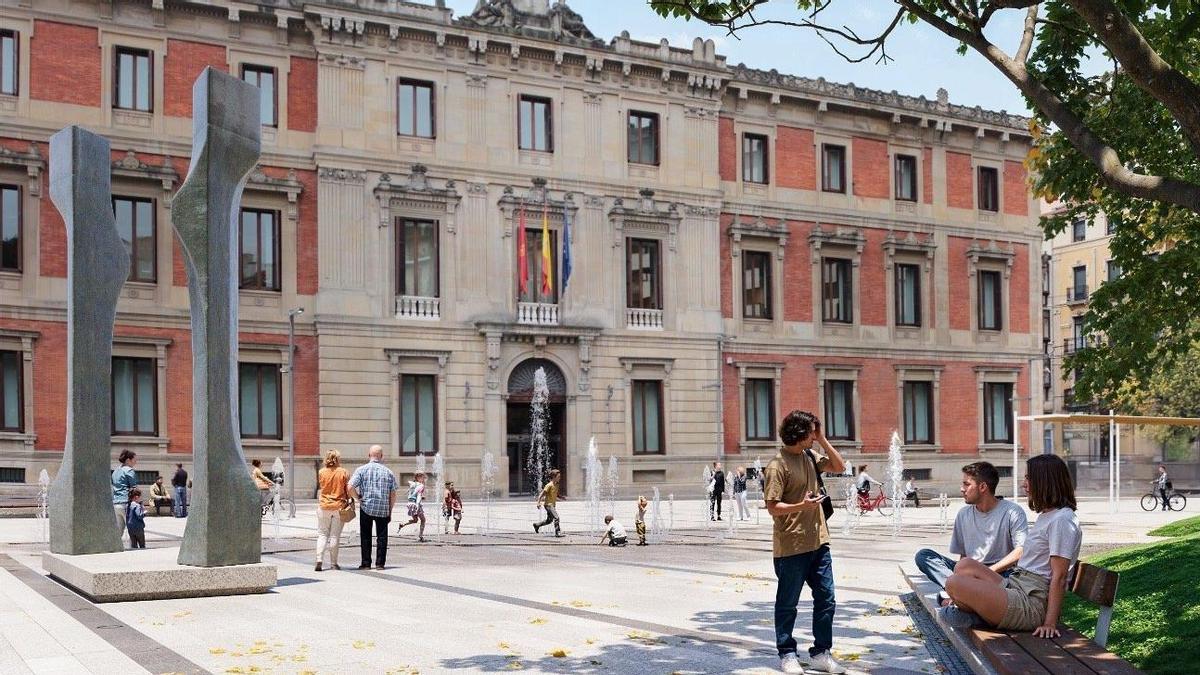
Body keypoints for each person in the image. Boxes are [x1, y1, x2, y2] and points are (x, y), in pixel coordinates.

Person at [942, 454, 1082, 638]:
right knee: (964, 565)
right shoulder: (1048, 515)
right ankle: (976, 611)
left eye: (1028, 478)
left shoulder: (1062, 520)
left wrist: (1049, 622)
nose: (1024, 484)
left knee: (953, 585)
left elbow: (1060, 576)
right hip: (1017, 585)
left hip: (1031, 603)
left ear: (1044, 480)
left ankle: (977, 614)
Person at [764, 410, 848, 675]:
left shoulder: (810, 455)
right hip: (791, 546)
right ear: (799, 434)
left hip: (819, 542)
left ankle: (821, 652)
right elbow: (773, 507)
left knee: (827, 598)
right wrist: (803, 505)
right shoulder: (778, 465)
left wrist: (823, 439)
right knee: (788, 603)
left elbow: (839, 467)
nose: (814, 436)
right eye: (812, 432)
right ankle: (787, 653)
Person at [914, 462, 1028, 606]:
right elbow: (963, 556)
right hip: (968, 572)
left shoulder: (1013, 512)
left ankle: (961, 594)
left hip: (1000, 574)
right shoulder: (963, 514)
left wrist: (985, 572)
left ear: (982, 487)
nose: (962, 489)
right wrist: (964, 575)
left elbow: (1021, 550)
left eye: (966, 484)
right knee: (923, 555)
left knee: (1009, 580)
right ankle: (961, 591)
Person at [348, 445, 398, 570]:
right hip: (383, 508)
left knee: (365, 535)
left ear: (369, 455)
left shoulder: (361, 470)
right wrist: (390, 510)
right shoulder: (389, 472)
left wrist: (357, 499)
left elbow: (350, 486)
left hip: (366, 507)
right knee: (382, 537)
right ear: (381, 456)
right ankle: (380, 564)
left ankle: (366, 563)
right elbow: (393, 494)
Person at [315, 449, 350, 572]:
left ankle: (319, 559)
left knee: (322, 534)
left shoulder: (321, 472)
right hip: (339, 506)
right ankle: (333, 563)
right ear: (338, 459)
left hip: (324, 506)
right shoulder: (344, 472)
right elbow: (348, 490)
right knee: (335, 535)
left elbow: (322, 487)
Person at [111, 450, 138, 540]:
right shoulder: (129, 471)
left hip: (116, 503)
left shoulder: (115, 471)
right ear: (128, 460)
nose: (135, 461)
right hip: (126, 503)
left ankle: (115, 546)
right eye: (134, 459)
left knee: (119, 529)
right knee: (133, 528)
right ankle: (134, 548)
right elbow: (134, 489)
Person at [533, 469, 564, 537]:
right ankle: (557, 532)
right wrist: (538, 502)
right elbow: (541, 494)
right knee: (556, 517)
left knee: (549, 521)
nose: (560, 478)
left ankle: (536, 525)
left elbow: (555, 493)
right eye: (558, 477)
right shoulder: (549, 485)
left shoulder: (556, 485)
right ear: (553, 477)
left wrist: (560, 497)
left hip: (552, 505)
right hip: (548, 505)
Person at [397, 472, 428, 542]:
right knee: (423, 520)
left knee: (415, 520)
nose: (424, 479)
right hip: (415, 504)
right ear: (418, 478)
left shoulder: (412, 484)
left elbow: (412, 494)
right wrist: (417, 504)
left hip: (410, 503)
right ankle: (420, 536)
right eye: (423, 477)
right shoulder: (421, 485)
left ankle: (403, 524)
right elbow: (419, 495)